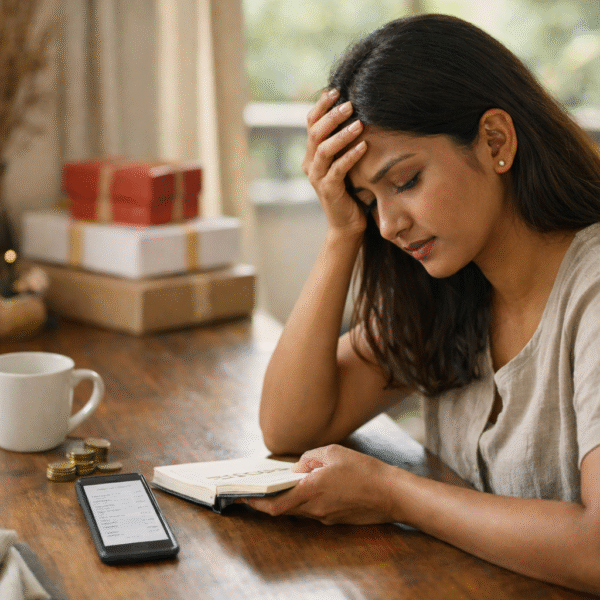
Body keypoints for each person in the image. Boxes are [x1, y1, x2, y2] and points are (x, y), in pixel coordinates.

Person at [247, 13, 600, 595]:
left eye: (405, 181)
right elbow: (288, 427)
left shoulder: (589, 292)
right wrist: (341, 235)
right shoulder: (448, 285)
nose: (388, 225)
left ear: (495, 142)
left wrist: (392, 492)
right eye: (368, 199)